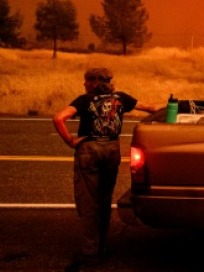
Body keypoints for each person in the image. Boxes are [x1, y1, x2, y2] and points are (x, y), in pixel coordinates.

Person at [53, 68, 161, 265]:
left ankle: (90, 251)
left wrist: (70, 141)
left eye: (86, 81)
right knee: (104, 199)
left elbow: (58, 118)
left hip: (90, 149)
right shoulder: (121, 98)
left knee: (88, 202)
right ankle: (102, 245)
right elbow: (152, 108)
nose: (84, 85)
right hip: (112, 148)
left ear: (93, 82)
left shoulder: (84, 100)